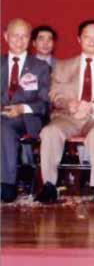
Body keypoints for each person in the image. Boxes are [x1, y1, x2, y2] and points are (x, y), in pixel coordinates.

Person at [36, 20, 94, 204]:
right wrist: (69, 104)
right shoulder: (63, 66)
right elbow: (54, 94)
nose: (92, 41)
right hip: (69, 116)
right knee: (49, 132)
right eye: (87, 37)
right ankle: (49, 185)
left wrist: (91, 106)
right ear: (79, 39)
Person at [2, 19, 51, 203]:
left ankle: (7, 184)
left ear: (30, 40)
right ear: (6, 37)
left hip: (28, 118)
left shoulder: (40, 67)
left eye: (24, 36)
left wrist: (22, 108)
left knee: (5, 127)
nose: (19, 40)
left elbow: (45, 103)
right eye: (15, 36)